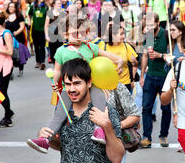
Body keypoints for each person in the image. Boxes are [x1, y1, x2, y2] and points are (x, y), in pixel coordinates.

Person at [27, 17, 123, 153]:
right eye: (74, 33)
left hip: (90, 86)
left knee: (100, 103)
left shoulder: (90, 47)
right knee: (59, 114)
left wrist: (119, 59)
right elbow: (57, 70)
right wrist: (54, 82)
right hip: (68, 88)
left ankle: (99, 131)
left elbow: (107, 55)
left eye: (81, 32)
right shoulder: (61, 51)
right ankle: (46, 139)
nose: (79, 36)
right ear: (65, 35)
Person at [37, 58, 124, 163]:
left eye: (77, 83)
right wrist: (47, 136)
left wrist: (107, 127)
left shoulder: (106, 112)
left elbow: (117, 158)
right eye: (68, 84)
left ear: (89, 83)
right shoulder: (63, 110)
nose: (72, 89)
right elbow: (63, 146)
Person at [139, 13, 172, 148]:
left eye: (152, 25)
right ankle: (147, 137)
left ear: (158, 23)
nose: (150, 27)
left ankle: (163, 135)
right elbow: (146, 56)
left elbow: (172, 57)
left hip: (164, 76)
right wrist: (142, 76)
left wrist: (161, 55)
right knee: (146, 108)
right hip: (150, 76)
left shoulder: (166, 35)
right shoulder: (149, 35)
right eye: (148, 25)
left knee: (166, 108)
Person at [109, 83, 140, 163]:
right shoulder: (80, 87)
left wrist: (116, 127)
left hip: (116, 144)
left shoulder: (117, 87)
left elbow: (134, 115)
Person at [103, 25, 138, 93]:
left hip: (125, 83)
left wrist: (132, 79)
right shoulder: (104, 48)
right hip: (109, 84)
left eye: (124, 34)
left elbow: (135, 65)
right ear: (113, 35)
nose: (124, 36)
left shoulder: (126, 46)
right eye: (121, 34)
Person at [28, 0, 48, 70]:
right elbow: (28, 15)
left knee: (42, 46)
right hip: (34, 29)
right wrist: (29, 21)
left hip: (43, 29)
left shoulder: (46, 7)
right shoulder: (33, 6)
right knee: (36, 46)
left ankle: (42, 62)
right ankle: (38, 61)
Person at [45, 0, 65, 65]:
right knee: (53, 53)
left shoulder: (63, 13)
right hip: (51, 36)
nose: (60, 5)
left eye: (60, 4)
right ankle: (55, 65)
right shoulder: (49, 13)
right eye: (58, 3)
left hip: (60, 36)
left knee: (60, 52)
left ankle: (59, 68)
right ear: (54, 5)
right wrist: (47, 36)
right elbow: (46, 26)